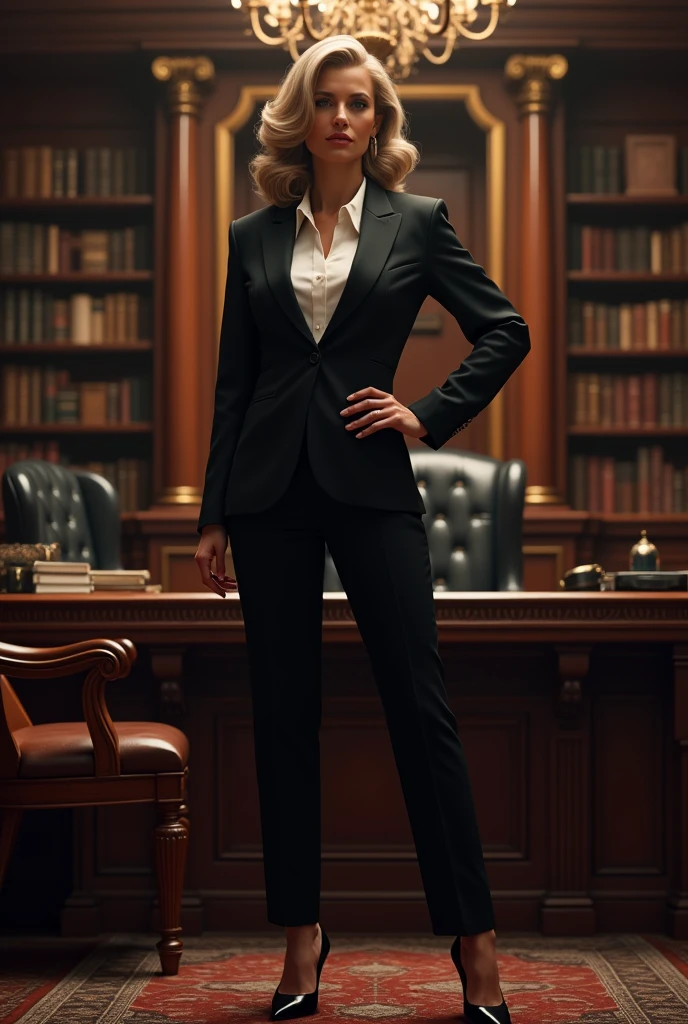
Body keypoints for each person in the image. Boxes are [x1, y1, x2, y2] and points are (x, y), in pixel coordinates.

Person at [195, 34, 530, 1024]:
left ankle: (476, 945)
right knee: (282, 716)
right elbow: (234, 382)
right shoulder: (252, 235)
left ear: (377, 119)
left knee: (419, 713)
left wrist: (426, 413)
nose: (344, 116)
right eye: (327, 101)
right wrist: (212, 512)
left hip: (372, 485)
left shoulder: (416, 223)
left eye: (360, 102)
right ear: (302, 115)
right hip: (266, 495)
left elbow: (504, 328)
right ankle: (301, 938)